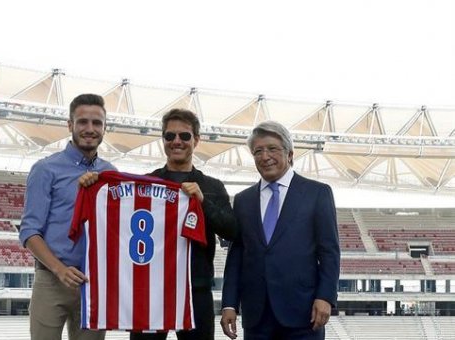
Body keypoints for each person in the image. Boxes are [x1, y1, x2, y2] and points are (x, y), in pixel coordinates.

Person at [220, 121, 340, 340]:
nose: (265, 156)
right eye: (258, 151)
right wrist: (229, 303)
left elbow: (329, 252)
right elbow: (236, 254)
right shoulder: (243, 200)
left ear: (290, 154)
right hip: (256, 316)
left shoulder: (317, 193)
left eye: (272, 149)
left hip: (304, 314)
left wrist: (325, 296)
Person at [129, 108, 239, 340]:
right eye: (170, 136)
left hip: (196, 290)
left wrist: (203, 201)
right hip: (151, 290)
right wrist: (94, 182)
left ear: (196, 140)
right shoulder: (146, 183)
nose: (176, 141)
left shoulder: (212, 187)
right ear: (163, 140)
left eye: (184, 136)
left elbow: (232, 230)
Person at [19, 93, 116, 340]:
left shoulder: (112, 174)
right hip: (52, 280)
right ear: (70, 125)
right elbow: (29, 232)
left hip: (94, 283)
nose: (90, 129)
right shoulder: (45, 169)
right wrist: (60, 269)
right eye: (83, 122)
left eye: (97, 123)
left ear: (105, 128)